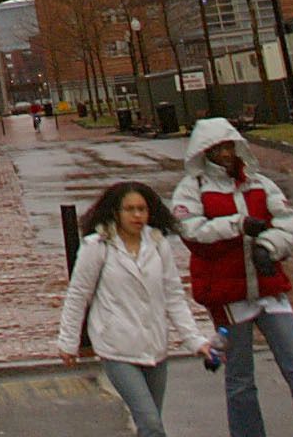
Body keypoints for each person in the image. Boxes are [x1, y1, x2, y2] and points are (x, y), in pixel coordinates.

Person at [172, 117, 293, 437]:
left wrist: (268, 247)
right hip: (229, 298)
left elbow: (286, 224)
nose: (226, 154)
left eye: (229, 146)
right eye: (218, 148)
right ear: (204, 152)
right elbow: (191, 231)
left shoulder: (260, 183)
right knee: (240, 378)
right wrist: (238, 224)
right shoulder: (192, 189)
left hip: (270, 290)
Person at [56, 180, 218, 437]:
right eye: (129, 209)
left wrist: (194, 340)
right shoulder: (98, 246)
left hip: (155, 348)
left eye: (142, 209)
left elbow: (173, 296)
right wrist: (68, 341)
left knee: (150, 423)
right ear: (115, 212)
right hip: (117, 348)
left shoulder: (157, 244)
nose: (137, 215)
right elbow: (78, 295)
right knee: (152, 424)